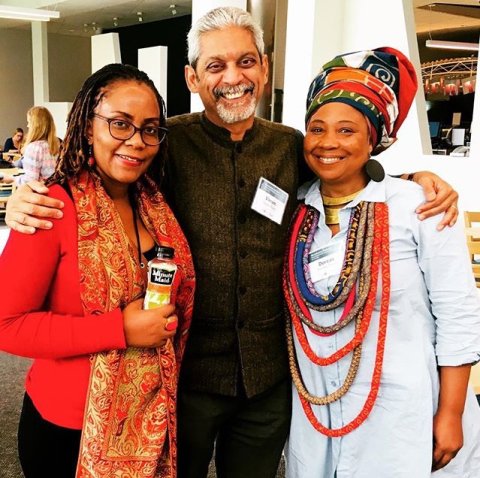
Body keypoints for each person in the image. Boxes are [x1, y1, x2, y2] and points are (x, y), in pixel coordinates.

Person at [5, 8, 460, 478]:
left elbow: (345, 173)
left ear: (264, 68)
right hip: (184, 379)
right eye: (215, 65)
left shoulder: (291, 147)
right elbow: (101, 171)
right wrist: (27, 196)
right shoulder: (164, 143)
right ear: (192, 77)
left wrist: (413, 179)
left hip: (268, 380)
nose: (233, 78)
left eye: (245, 62)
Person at [283, 46, 480, 478]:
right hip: (318, 411)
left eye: (347, 130)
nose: (328, 143)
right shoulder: (295, 212)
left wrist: (450, 414)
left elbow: (459, 314)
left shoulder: (419, 208)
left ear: (373, 139)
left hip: (404, 415)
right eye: (317, 129)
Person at [0, 64, 195, 478]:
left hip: (149, 418)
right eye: (120, 124)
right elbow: (6, 324)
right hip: (68, 430)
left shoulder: (154, 203)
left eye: (149, 129)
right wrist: (118, 329)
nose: (137, 142)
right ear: (88, 127)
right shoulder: (52, 206)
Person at [1, 107, 59, 185]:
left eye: (29, 122)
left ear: (35, 125)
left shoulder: (34, 147)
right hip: (56, 191)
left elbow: (30, 181)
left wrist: (11, 179)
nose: (27, 126)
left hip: (41, 192)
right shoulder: (56, 145)